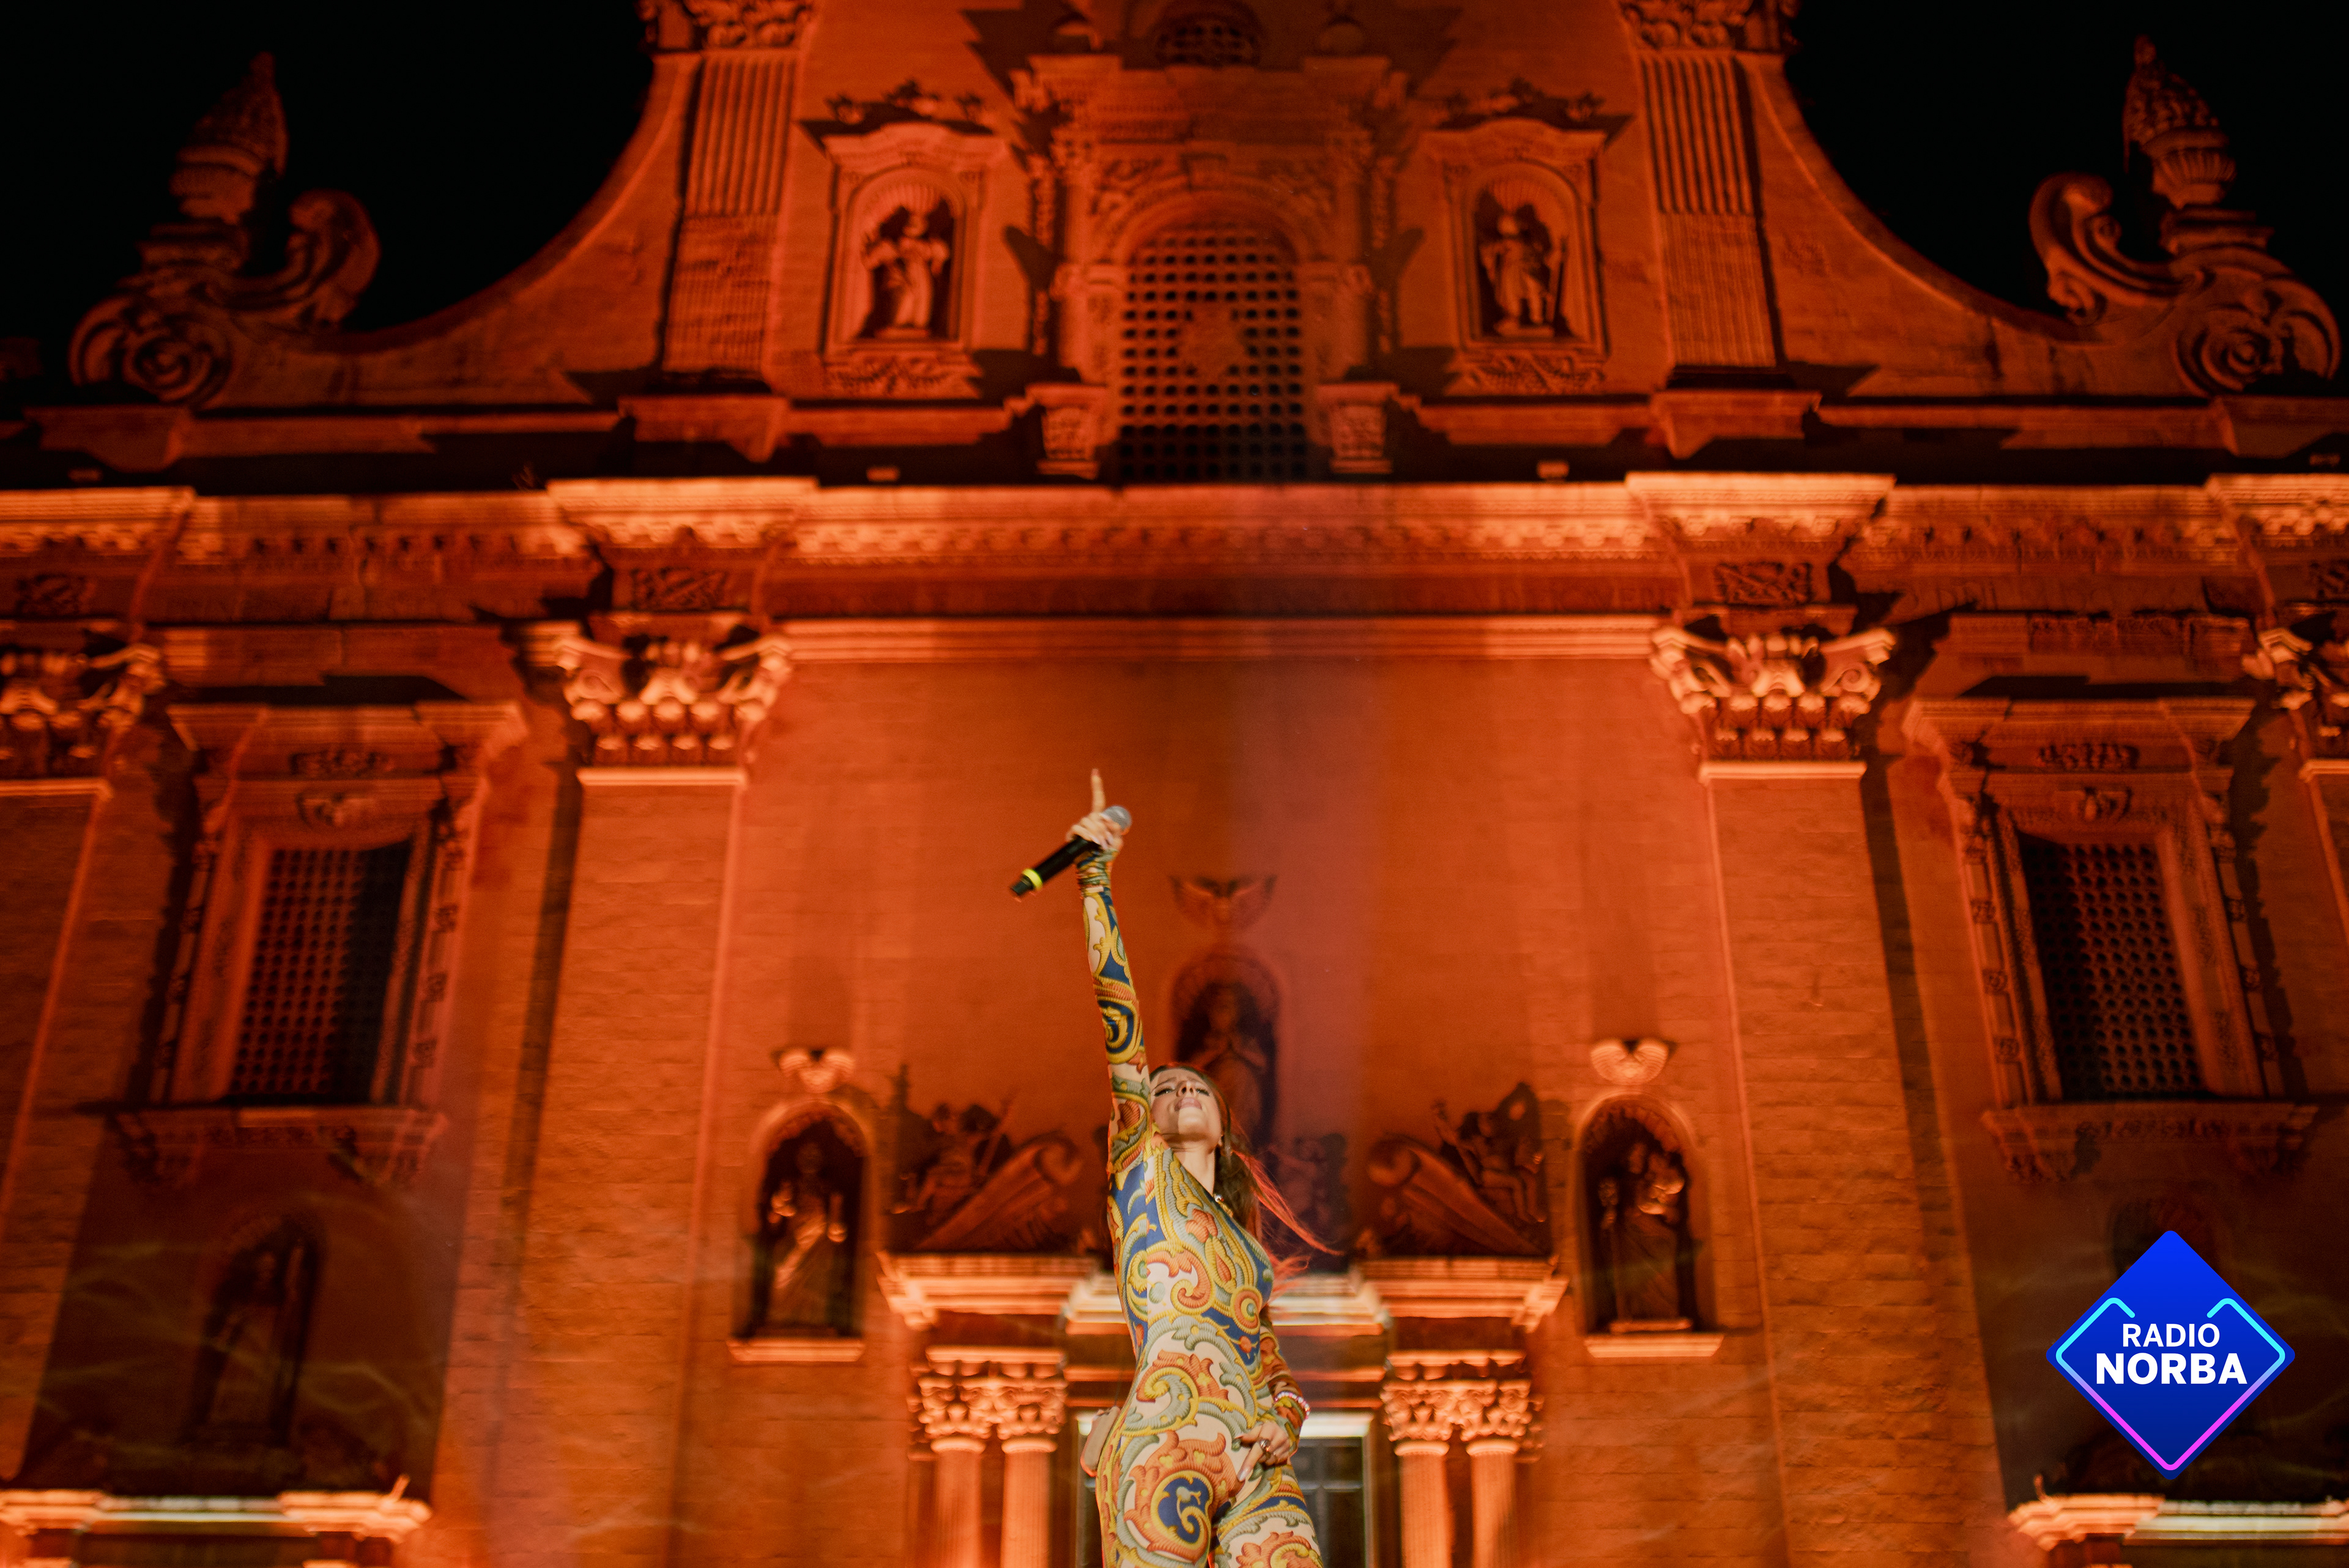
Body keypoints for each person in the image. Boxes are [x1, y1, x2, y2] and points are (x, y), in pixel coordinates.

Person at [1067, 772, 1324, 1568]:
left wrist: (1285, 1422)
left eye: (1195, 1088)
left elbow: (1270, 1360)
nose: (1178, 1090)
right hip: (1162, 1439)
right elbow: (1118, 1015)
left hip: (1252, 1451)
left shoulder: (1246, 1250)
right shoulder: (1140, 1171)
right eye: (1165, 1087)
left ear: (1222, 1121)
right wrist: (1094, 882)